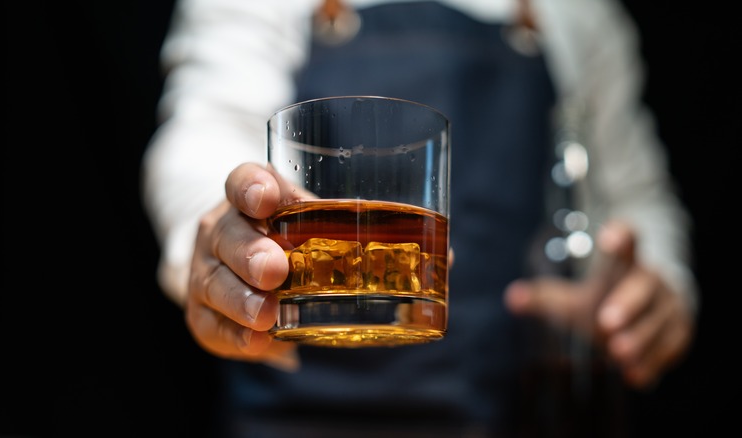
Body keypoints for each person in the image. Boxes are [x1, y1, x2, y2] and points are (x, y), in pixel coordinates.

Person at [141, 0, 699, 436]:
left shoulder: (582, 13)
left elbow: (636, 195)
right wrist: (220, 236)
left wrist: (653, 289)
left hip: (504, 414)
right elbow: (205, 133)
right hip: (289, 414)